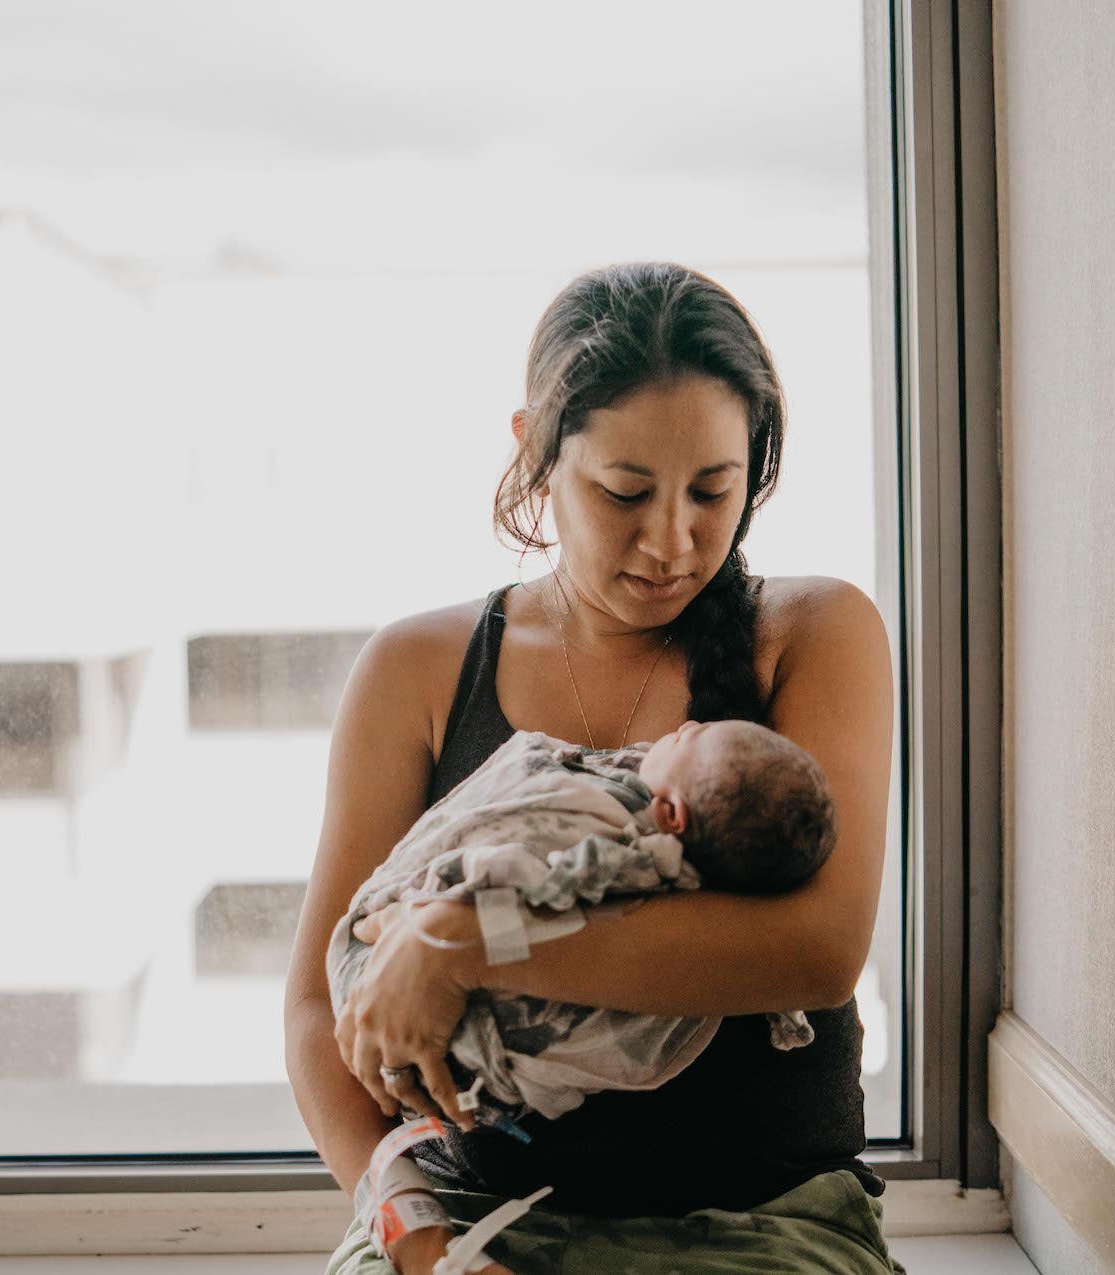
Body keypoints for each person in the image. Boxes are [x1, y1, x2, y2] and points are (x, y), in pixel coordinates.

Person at [282, 262, 899, 1275]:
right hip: (467, 1217)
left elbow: (815, 950)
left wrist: (468, 940)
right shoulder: (419, 668)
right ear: (533, 454)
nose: (672, 541)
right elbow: (320, 1005)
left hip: (761, 1221)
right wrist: (413, 1234)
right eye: (624, 492)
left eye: (714, 490)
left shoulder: (813, 632)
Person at [325, 720, 835, 1130]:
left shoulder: (612, 849)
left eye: (690, 736)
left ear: (670, 814)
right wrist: (399, 1212)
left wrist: (446, 931)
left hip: (417, 1004)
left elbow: (535, 885)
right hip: (429, 1122)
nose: (688, 724)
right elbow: (307, 1010)